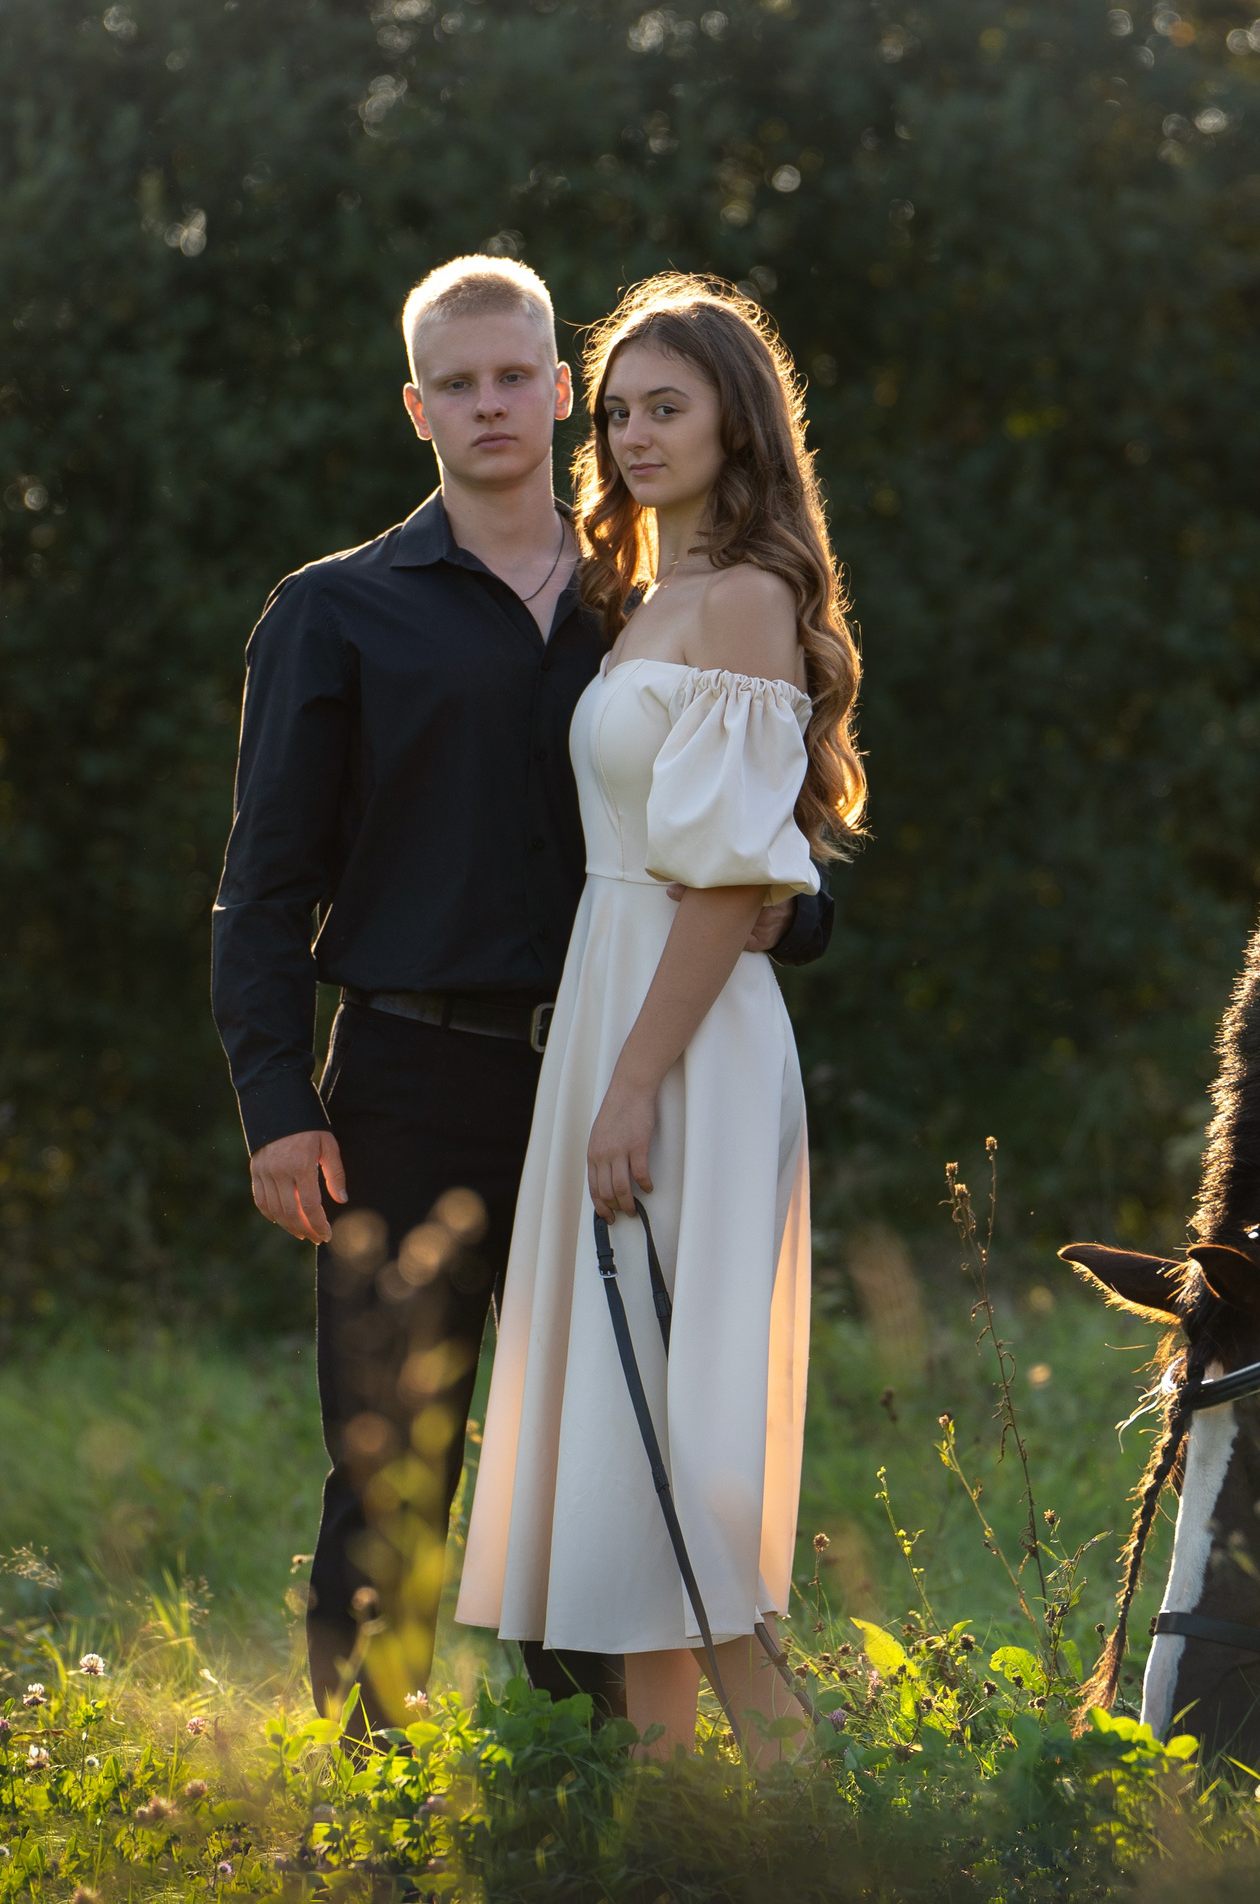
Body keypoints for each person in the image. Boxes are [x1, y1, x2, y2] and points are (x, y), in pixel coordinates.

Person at [209, 255, 835, 1735]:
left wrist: (795, 911)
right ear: (416, 407)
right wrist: (277, 1101)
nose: (489, 404)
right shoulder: (334, 612)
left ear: (559, 392)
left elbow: (758, 823)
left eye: (516, 377)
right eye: (457, 383)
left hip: (618, 1070)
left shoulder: (644, 601)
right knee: (391, 1455)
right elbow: (265, 881)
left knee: (601, 1442)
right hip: (410, 1080)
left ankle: (594, 1774)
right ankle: (373, 1784)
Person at [455, 274, 866, 1764]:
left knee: (672, 1430)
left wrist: (630, 1086)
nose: (633, 435)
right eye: (618, 412)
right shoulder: (647, 601)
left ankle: (805, 1797)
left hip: (682, 1042)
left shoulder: (746, 599)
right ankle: (673, 1812)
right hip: (616, 1006)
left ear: (735, 423)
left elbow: (727, 883)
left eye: (667, 408)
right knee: (625, 1447)